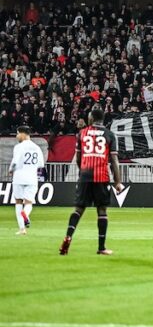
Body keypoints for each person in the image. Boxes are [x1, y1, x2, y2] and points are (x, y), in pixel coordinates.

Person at [60, 108, 124, 255]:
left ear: (92, 118)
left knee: (78, 209)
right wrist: (117, 181)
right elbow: (114, 159)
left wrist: (83, 171)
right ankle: (101, 247)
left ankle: (68, 238)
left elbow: (77, 158)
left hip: (85, 176)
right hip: (101, 176)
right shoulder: (109, 135)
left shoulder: (82, 133)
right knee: (102, 210)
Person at [10, 126, 43, 235]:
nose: (17, 136)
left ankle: (22, 229)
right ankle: (26, 213)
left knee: (18, 201)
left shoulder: (19, 147)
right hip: (32, 177)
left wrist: (11, 170)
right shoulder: (37, 147)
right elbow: (41, 164)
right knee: (28, 202)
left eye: (18, 133)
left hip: (19, 177)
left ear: (23, 134)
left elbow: (15, 162)